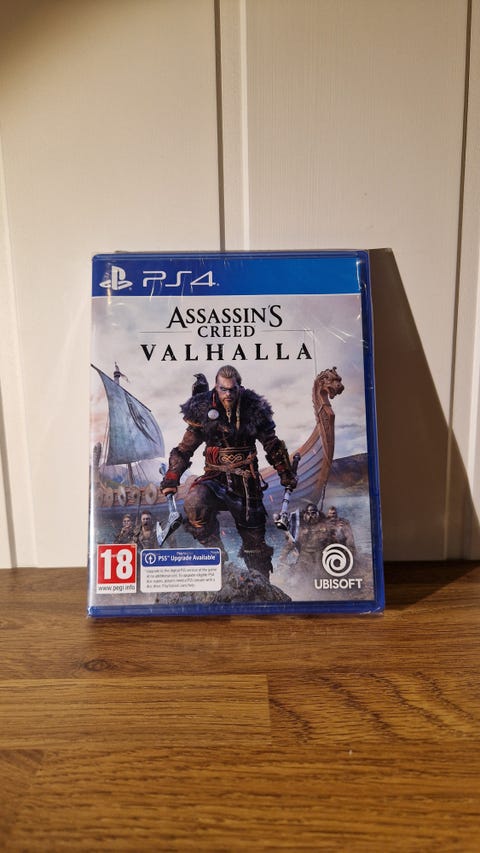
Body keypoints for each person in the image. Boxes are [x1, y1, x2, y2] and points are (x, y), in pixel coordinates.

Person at [161, 365, 298, 579]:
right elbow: (185, 448)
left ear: (239, 388)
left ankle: (262, 583)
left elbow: (271, 444)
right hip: (214, 478)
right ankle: (217, 558)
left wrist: (285, 473)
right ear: (216, 387)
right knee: (195, 503)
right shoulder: (203, 408)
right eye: (223, 389)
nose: (227, 394)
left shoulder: (253, 408)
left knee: (254, 544)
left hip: (246, 482)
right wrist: (171, 476)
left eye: (232, 390)